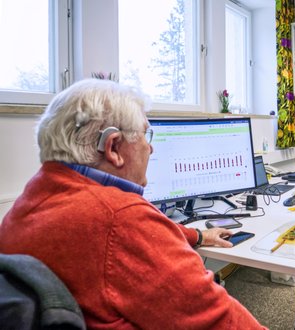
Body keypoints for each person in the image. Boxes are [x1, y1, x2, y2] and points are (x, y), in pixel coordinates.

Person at [0, 79, 266, 329]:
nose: (151, 149)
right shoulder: (121, 219)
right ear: (113, 147)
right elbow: (220, 320)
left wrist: (197, 235)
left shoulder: (30, 201)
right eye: (146, 135)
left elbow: (129, 234)